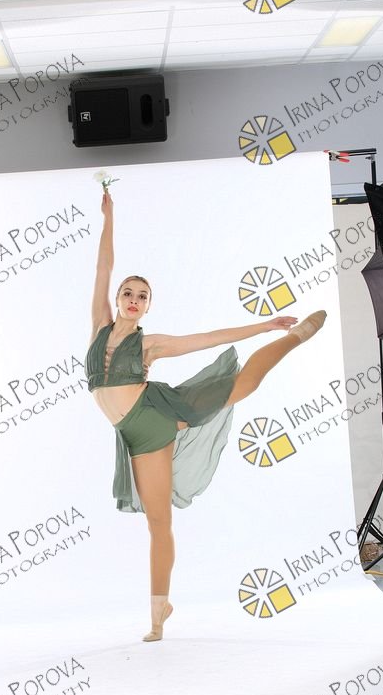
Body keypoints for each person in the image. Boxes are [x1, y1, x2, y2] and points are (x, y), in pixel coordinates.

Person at [85, 191, 326, 643]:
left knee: (241, 386)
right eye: (128, 293)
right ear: (116, 298)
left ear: (148, 306)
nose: (133, 299)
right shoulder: (99, 326)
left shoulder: (150, 343)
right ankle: (163, 606)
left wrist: (263, 325)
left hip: (155, 414)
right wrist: (109, 216)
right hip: (132, 436)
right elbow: (103, 266)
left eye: (142, 296)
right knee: (157, 523)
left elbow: (208, 338)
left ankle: (293, 338)